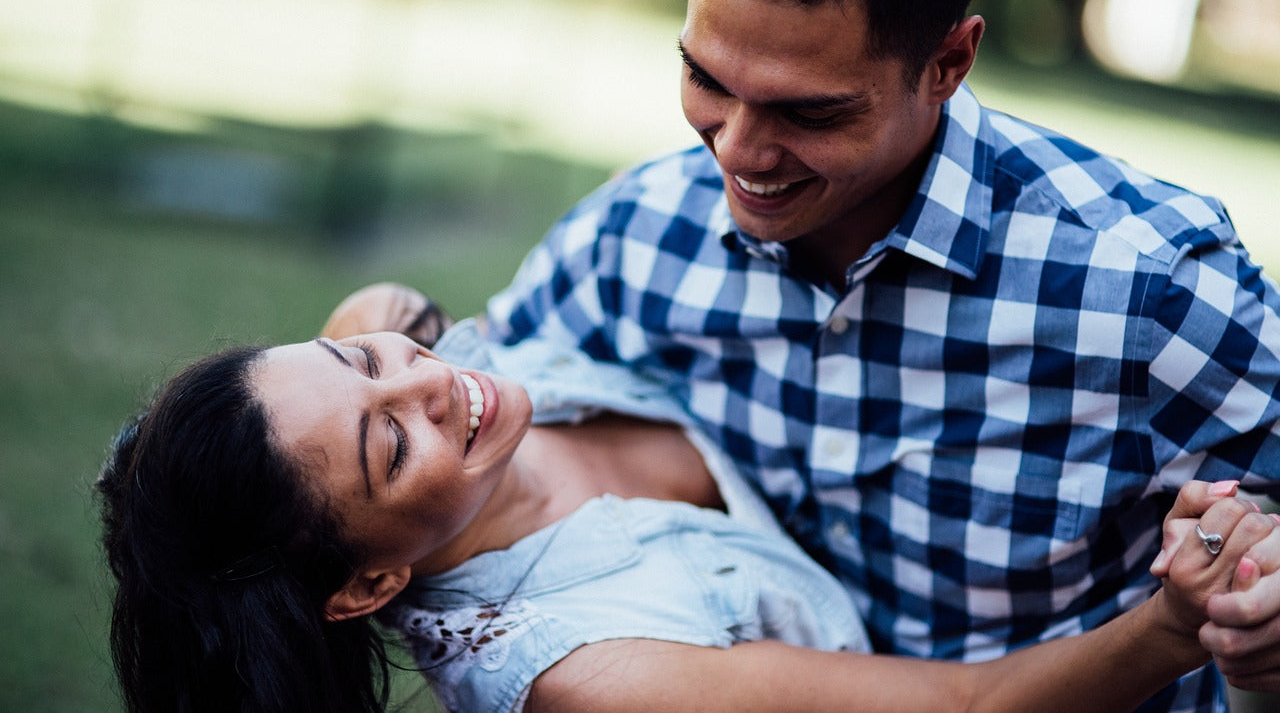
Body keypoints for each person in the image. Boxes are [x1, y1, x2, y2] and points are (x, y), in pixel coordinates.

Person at [472, 0, 1280, 710]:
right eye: (707, 80)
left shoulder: (1156, 294)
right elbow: (457, 411)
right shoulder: (629, 242)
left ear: (948, 63)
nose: (738, 153)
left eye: (808, 113)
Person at [98, 293, 1275, 713]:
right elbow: (967, 705)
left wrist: (373, 330)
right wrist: (1172, 626)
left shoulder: (432, 398)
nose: (427, 374)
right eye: (389, 438)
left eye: (352, 358)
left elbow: (372, 336)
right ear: (367, 586)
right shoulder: (596, 669)